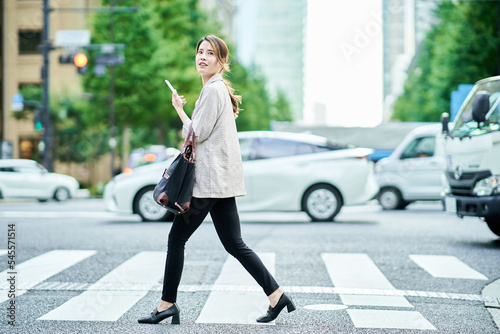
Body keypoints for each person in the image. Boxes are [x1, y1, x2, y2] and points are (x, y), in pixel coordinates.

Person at [137, 35, 295, 325]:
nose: (203, 57)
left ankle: (166, 305)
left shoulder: (212, 91)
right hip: (220, 180)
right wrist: (183, 111)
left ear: (222, 62)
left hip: (208, 181)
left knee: (177, 239)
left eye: (211, 53)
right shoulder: (216, 88)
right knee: (235, 243)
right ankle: (276, 295)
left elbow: (196, 134)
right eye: (200, 52)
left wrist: (180, 111)